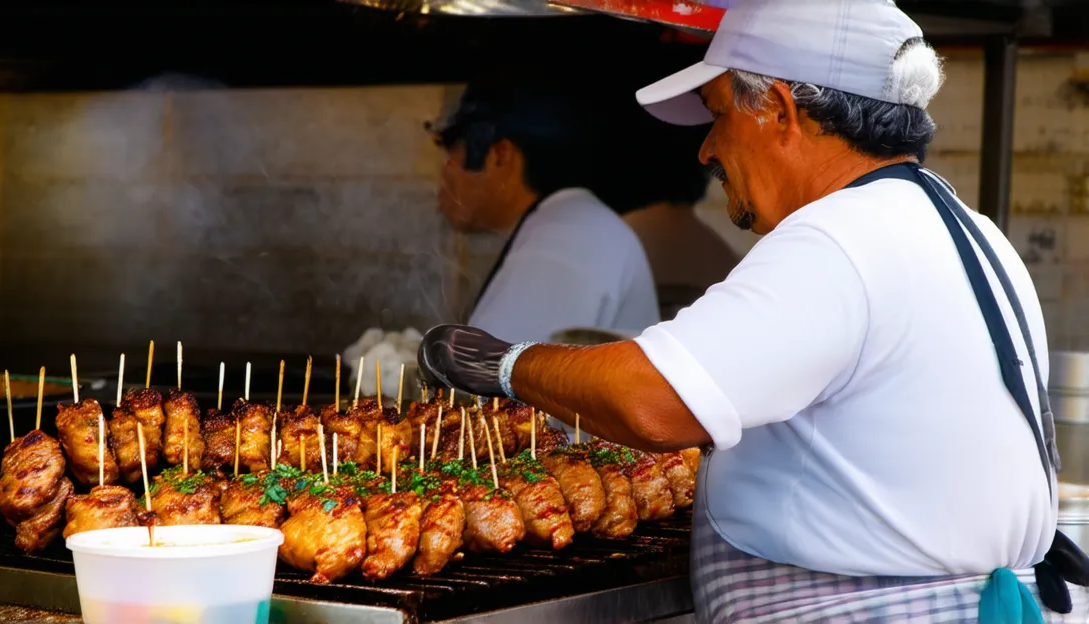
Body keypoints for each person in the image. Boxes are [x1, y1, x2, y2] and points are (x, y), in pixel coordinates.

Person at [416, 0, 1089, 621]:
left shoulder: (839, 240)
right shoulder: (959, 226)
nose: (707, 150)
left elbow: (653, 402)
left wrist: (507, 363)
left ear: (783, 112)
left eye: (717, 115)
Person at [432, 70, 662, 344]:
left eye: (450, 145)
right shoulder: (571, 224)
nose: (446, 168)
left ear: (499, 156)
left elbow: (486, 372)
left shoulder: (564, 237)